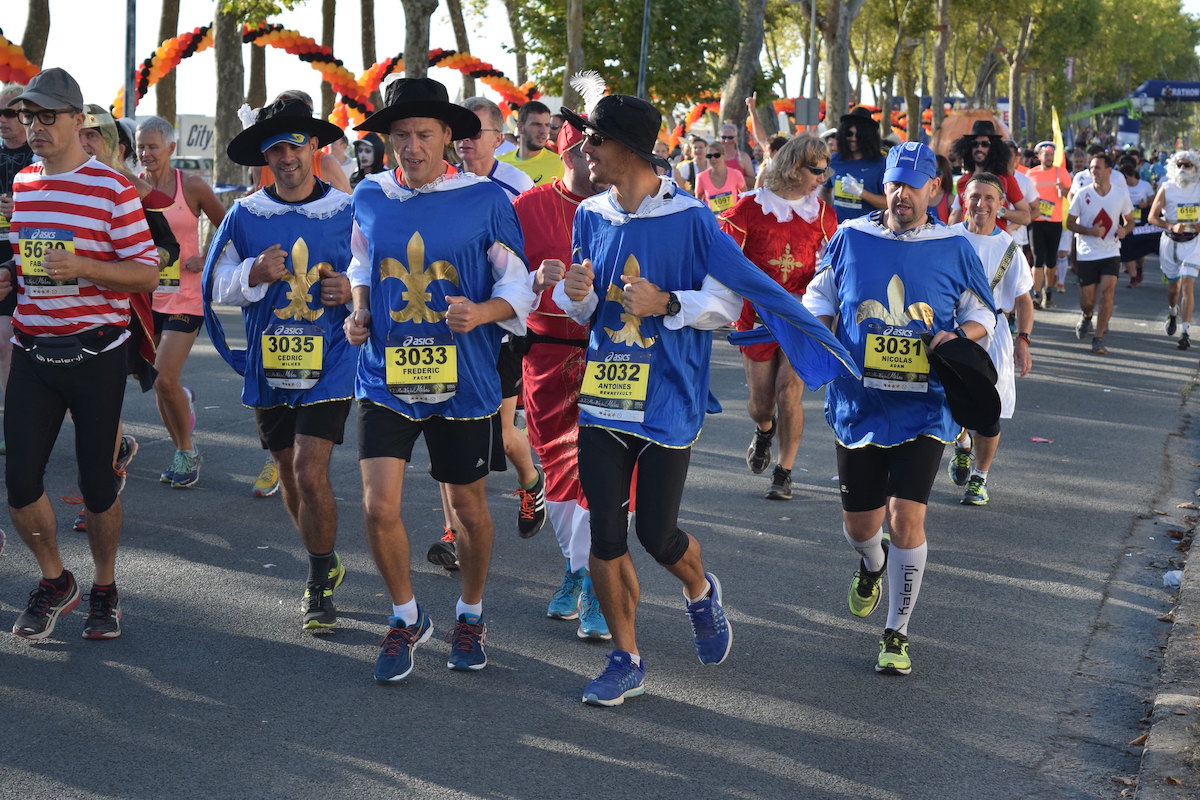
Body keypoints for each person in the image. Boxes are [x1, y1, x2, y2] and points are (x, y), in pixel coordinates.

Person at [555, 94, 855, 706]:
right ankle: (626, 657)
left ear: (629, 151)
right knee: (605, 535)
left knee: (658, 535)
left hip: (669, 399)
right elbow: (586, 310)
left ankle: (700, 591)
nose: (585, 149)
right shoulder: (590, 214)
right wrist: (574, 291)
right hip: (605, 397)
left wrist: (665, 303)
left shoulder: (693, 218)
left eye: (595, 140)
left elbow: (727, 303)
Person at [345, 77, 535, 682]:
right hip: (385, 375)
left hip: (465, 377)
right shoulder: (370, 195)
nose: (411, 146)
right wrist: (359, 308)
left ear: (449, 136)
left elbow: (519, 283)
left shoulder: (485, 198)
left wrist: (483, 312)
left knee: (468, 507)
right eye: (400, 135)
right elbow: (360, 261)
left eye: (423, 134)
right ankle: (405, 616)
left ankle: (470, 613)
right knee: (379, 509)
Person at [802, 141, 996, 676]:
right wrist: (812, 325)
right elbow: (817, 299)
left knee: (906, 516)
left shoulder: (955, 245)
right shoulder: (850, 237)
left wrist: (958, 336)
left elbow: (985, 313)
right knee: (860, 528)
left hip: (926, 406)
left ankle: (897, 631)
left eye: (913, 184)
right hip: (859, 404)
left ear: (935, 188)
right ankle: (871, 565)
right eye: (893, 182)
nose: (900, 193)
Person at [5, 68, 159, 640]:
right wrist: (8, 276)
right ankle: (55, 581)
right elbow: (29, 264)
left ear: (76, 120)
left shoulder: (111, 188)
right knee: (20, 481)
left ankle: (104, 586)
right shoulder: (23, 184)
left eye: (47, 116)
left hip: (96, 352)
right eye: (28, 116)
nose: (35, 127)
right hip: (33, 347)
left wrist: (87, 266)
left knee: (97, 485)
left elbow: (147, 273)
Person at [202, 98, 356, 631]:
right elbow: (214, 285)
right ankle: (324, 560)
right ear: (264, 155)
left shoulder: (347, 209)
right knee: (292, 479)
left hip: (332, 361)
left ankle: (317, 584)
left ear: (315, 147)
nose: (286, 156)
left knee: (310, 472)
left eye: (295, 144)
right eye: (275, 148)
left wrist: (350, 292)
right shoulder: (245, 213)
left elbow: (375, 276)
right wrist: (251, 272)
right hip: (269, 365)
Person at [511, 119, 610, 639]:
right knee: (555, 466)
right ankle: (575, 568)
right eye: (587, 152)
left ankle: (596, 579)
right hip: (546, 350)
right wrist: (534, 278)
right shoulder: (526, 207)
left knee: (604, 466)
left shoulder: (623, 206)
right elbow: (499, 284)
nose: (597, 163)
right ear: (567, 154)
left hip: (612, 353)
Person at [720, 135, 837, 501]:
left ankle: (784, 471)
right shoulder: (747, 209)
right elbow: (723, 260)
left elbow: (835, 267)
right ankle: (764, 430)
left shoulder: (821, 215)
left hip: (801, 317)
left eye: (825, 171)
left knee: (790, 393)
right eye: (816, 171)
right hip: (756, 317)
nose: (823, 178)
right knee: (760, 405)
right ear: (793, 167)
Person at [135, 115, 226, 488]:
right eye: (141, 146)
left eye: (153, 146)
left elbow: (231, 228)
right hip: (146, 297)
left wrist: (207, 260)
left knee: (164, 377)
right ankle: (180, 441)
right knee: (160, 382)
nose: (145, 153)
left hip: (187, 297)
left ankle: (187, 451)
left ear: (171, 148)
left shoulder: (191, 187)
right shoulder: (131, 189)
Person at [947, 174, 1035, 506]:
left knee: (988, 412)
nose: (981, 204)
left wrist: (1022, 341)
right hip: (950, 331)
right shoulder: (946, 238)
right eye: (974, 197)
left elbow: (1024, 301)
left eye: (989, 198)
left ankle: (979, 479)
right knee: (948, 401)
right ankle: (962, 443)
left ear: (1000, 205)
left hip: (993, 334)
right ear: (964, 200)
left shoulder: (1009, 248)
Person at [0, 82, 36, 455]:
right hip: (2, 262)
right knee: (3, 345)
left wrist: (21, 211)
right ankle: (17, 424)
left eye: (12, 113)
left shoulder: (40, 159)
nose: (4, 120)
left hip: (34, 263)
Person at [1067, 153, 1133, 355]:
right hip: (1087, 253)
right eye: (1091, 167)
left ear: (1109, 171)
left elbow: (1129, 221)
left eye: (1097, 167)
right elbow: (1069, 223)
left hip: (1111, 252)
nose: (1093, 171)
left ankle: (1099, 337)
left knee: (1107, 292)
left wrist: (1124, 230)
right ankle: (1087, 316)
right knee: (1087, 301)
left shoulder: (1120, 195)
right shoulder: (1082, 193)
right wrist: (1089, 231)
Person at [1148, 150, 1200, 350]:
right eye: (1179, 165)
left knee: (1188, 285)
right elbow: (1152, 217)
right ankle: (1172, 312)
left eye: (1187, 165)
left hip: (1193, 243)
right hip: (1170, 243)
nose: (1183, 169)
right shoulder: (1167, 187)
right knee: (1173, 289)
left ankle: (1185, 331)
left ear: (1195, 168)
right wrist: (1170, 226)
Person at [947, 121, 1031, 231]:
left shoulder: (1006, 180)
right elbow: (955, 215)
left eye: (985, 144)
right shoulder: (963, 181)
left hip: (996, 245)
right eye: (975, 144)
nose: (979, 148)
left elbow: (1026, 217)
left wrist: (999, 210)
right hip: (968, 245)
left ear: (994, 148)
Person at [1024, 141, 1072, 307]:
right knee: (1038, 258)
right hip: (1036, 221)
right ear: (1039, 157)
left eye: (1052, 155)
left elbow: (1072, 196)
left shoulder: (1061, 172)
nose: (1049, 158)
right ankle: (1036, 293)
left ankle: (1049, 290)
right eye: (1046, 155)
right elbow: (1024, 196)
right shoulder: (1031, 174)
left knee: (1051, 260)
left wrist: (1063, 190)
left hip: (1054, 221)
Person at [822, 107, 887, 224]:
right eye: (849, 134)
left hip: (869, 233)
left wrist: (861, 193)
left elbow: (889, 204)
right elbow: (825, 190)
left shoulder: (881, 164)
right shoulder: (834, 161)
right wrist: (828, 215)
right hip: (839, 232)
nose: (853, 139)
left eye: (859, 135)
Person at [497, 99, 563, 185]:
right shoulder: (500, 164)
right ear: (520, 128)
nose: (543, 131)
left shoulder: (560, 165)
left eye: (547, 125)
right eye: (537, 124)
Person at [1117, 155, 1159, 289]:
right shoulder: (1122, 188)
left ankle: (1139, 269)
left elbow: (1154, 200)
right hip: (1128, 220)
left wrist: (1146, 203)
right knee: (1127, 246)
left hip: (1143, 221)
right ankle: (1133, 277)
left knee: (1140, 250)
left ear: (1128, 176)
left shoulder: (1144, 185)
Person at [694, 140, 746, 214]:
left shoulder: (736, 174)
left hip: (732, 223)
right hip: (713, 224)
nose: (713, 159)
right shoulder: (701, 177)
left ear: (724, 155)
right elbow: (698, 205)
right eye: (709, 156)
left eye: (716, 155)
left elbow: (745, 197)